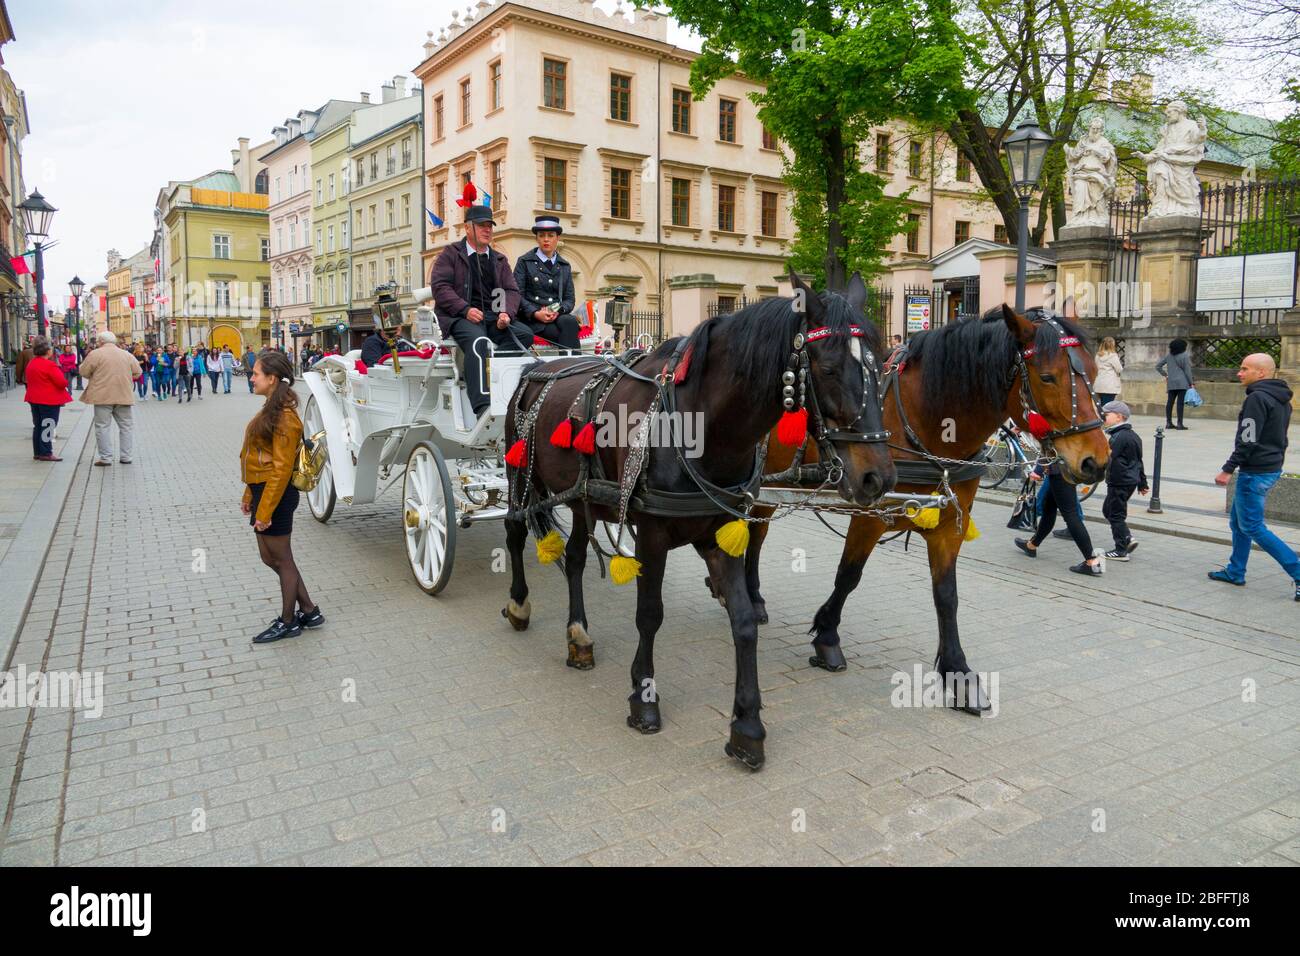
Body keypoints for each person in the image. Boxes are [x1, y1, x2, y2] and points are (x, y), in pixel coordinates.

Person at [239, 349, 323, 644]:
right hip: (263, 491)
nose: (251, 378)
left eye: (256, 373)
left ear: (272, 379)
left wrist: (264, 512)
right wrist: (250, 491)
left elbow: (281, 469)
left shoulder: (286, 417)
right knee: (270, 557)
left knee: (282, 559)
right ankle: (310, 611)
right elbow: (258, 458)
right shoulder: (270, 409)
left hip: (277, 495)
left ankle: (288, 621)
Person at [1210, 353, 1297, 599]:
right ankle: (1235, 571)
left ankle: (1298, 573)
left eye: (1244, 369)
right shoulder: (1282, 398)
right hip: (1269, 467)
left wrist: (1228, 468)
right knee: (1238, 523)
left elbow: (1248, 439)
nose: (1239, 373)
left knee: (1253, 526)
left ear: (1261, 372)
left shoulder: (1257, 398)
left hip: (1255, 472)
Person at [430, 205, 523, 417]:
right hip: (459, 317)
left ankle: (497, 377)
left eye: (490, 225)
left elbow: (512, 290)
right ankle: (482, 406)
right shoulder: (450, 254)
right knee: (478, 341)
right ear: (467, 228)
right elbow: (440, 287)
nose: (487, 230)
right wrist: (465, 309)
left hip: (492, 317)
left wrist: (506, 313)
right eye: (481, 225)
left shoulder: (499, 259)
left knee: (524, 335)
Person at [1015, 460, 1104, 575]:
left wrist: (1038, 470)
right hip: (1067, 469)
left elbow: (1052, 447)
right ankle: (1032, 545)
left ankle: (1092, 562)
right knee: (1049, 508)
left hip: (1061, 471)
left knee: (1071, 514)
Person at [512, 216, 582, 350]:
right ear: (536, 238)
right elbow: (517, 295)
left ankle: (572, 367)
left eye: (550, 235)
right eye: (541, 235)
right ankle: (570, 368)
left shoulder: (564, 265)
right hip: (533, 319)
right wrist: (535, 313)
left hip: (556, 314)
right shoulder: (524, 262)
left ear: (557, 238)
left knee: (570, 321)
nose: (546, 239)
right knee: (563, 333)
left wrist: (557, 310)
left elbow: (569, 299)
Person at [79, 330, 143, 466]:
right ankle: (126, 456)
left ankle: (106, 458)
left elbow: (84, 372)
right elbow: (138, 372)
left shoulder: (95, 354)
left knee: (102, 427)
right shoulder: (126, 354)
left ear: (101, 342)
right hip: (123, 394)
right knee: (126, 426)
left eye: (97, 341)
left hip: (102, 396)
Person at [1098, 401, 1148, 562]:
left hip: (1119, 481)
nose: (1102, 418)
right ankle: (1126, 537)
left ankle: (1121, 550)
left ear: (1119, 417)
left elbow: (1107, 460)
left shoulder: (1118, 438)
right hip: (1128, 481)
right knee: (1108, 510)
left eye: (1105, 415)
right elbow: (1138, 461)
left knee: (1115, 514)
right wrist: (1142, 483)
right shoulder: (1132, 436)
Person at [23, 337, 70, 462]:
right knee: (48, 425)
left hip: (34, 398)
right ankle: (46, 452)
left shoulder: (32, 363)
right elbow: (61, 382)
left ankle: (38, 452)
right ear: (48, 351)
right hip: (48, 400)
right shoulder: (49, 365)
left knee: (38, 425)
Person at [1155, 338, 1194, 430]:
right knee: (1180, 403)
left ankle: (1168, 423)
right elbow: (1187, 371)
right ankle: (1180, 424)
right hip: (1182, 382)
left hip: (1171, 382)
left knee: (1170, 402)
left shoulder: (1169, 356)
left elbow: (1158, 366)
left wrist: (1165, 375)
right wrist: (1191, 383)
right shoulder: (1184, 356)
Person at [1093, 336, 1123, 407]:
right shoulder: (1113, 356)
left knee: (1101, 406)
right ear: (1112, 345)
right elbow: (1119, 369)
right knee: (1108, 407)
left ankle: (1101, 417)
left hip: (1099, 383)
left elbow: (1096, 368)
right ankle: (1104, 418)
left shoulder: (1097, 355)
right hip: (1110, 385)